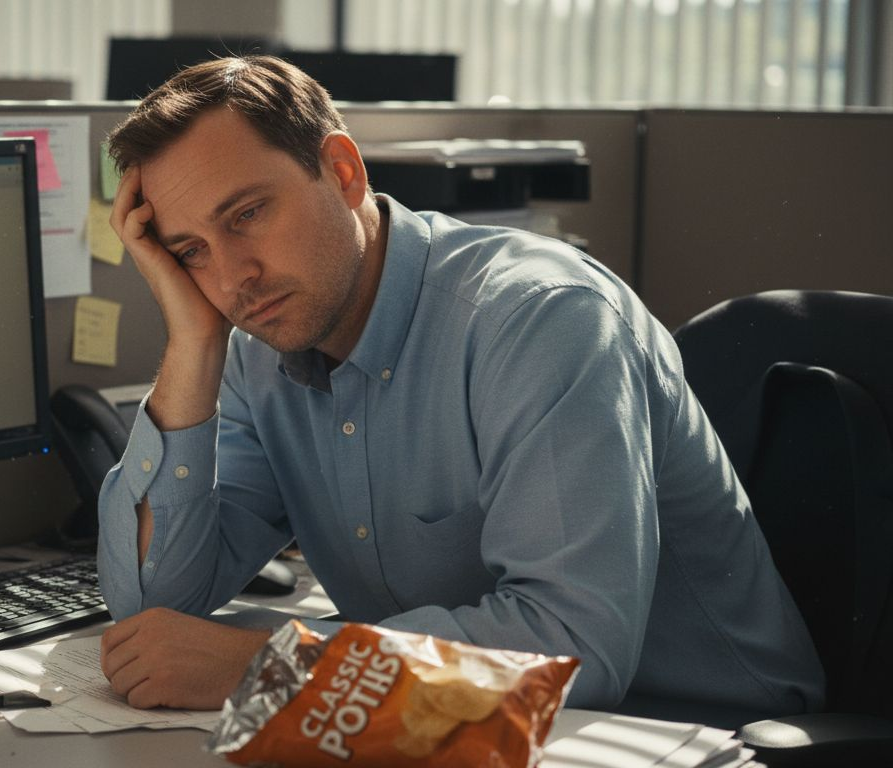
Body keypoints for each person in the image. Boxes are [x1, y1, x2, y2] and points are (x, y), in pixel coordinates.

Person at [95, 55, 824, 716]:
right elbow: (152, 607)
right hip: (454, 725)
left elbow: (575, 648)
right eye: (192, 251)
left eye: (247, 214)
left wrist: (271, 666)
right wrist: (194, 342)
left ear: (344, 171)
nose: (231, 277)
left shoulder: (540, 322)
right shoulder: (262, 341)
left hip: (690, 727)